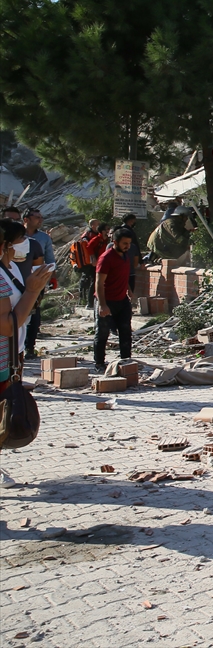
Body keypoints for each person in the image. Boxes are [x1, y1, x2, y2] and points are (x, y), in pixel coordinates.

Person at [0, 218, 52, 489]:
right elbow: (7, 324)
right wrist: (32, 291)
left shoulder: (9, 270)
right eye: (18, 241)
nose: (24, 245)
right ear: (6, 245)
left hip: (10, 356)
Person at [6, 208, 46, 358]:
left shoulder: (33, 246)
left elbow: (39, 268)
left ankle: (26, 350)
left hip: (24, 294)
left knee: (26, 325)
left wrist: (35, 292)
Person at [93, 227, 135, 370]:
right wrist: (102, 305)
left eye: (129, 243)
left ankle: (126, 361)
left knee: (125, 331)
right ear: (115, 241)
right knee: (102, 333)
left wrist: (129, 290)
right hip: (106, 300)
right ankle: (99, 363)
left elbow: (124, 276)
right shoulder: (106, 258)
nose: (127, 246)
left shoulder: (126, 256)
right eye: (124, 243)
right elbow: (99, 282)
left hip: (122, 300)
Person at [121, 213, 142, 295]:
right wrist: (140, 260)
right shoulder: (128, 231)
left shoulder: (121, 229)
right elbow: (135, 245)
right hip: (129, 260)